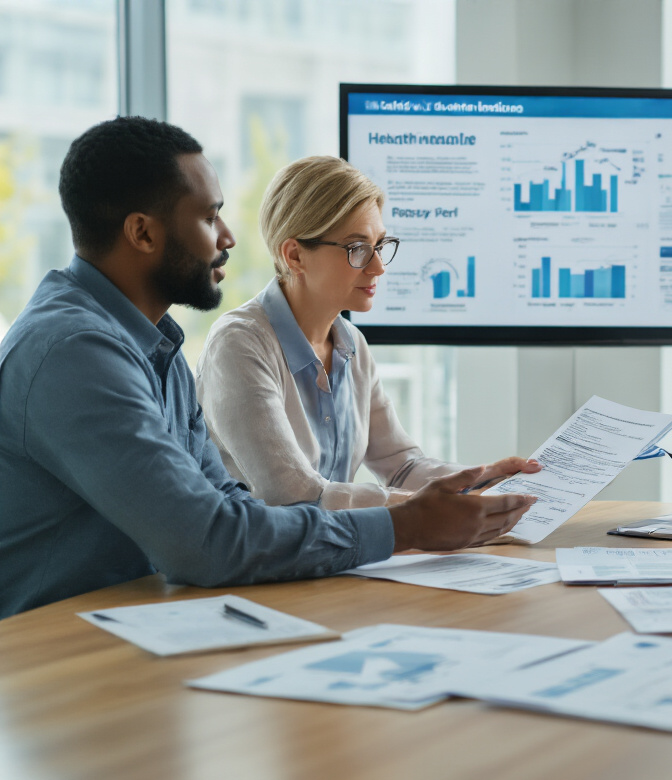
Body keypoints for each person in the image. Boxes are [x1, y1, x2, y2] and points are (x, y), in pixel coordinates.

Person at [0, 117, 534, 620]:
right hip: (61, 645)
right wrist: (402, 525)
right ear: (142, 233)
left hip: (143, 619)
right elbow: (205, 541)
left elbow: (226, 504)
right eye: (210, 218)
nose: (228, 237)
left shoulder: (156, 347)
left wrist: (442, 506)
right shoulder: (75, 353)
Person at [195, 156, 537, 509]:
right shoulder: (238, 344)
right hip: (262, 559)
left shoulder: (350, 343)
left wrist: (481, 478)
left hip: (329, 557)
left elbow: (402, 467)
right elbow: (293, 493)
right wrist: (425, 510)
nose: (377, 267)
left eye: (380, 245)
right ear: (295, 255)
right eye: (357, 248)